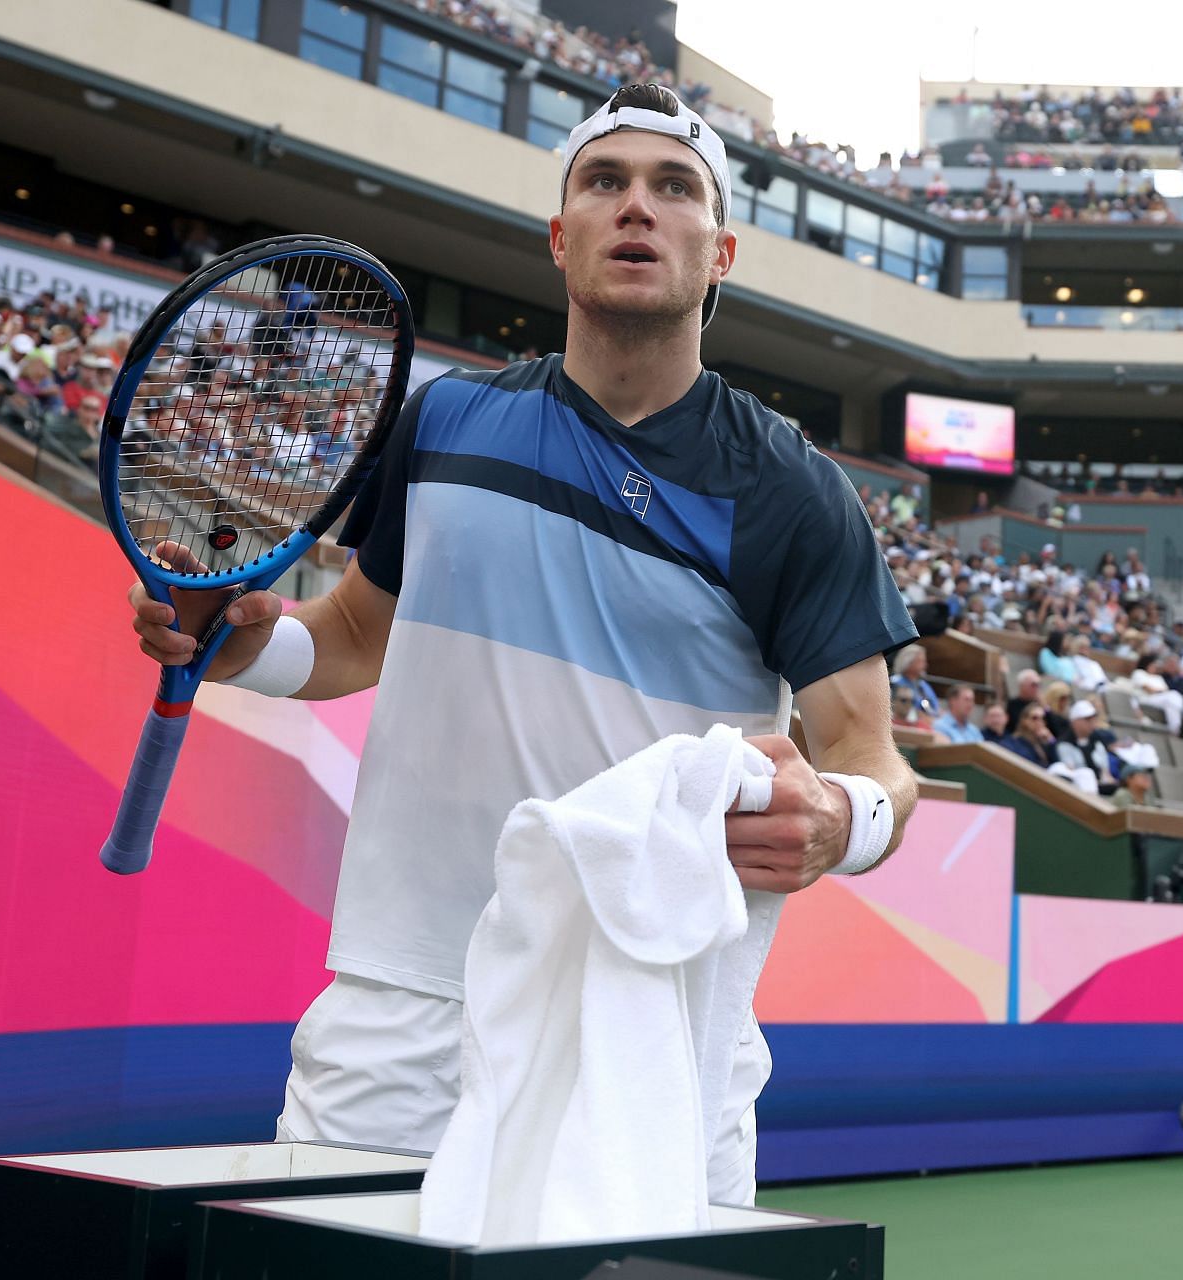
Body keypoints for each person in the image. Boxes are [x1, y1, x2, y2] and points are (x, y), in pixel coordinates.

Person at [125, 83, 917, 1204]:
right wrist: (242, 645)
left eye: (673, 187)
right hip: (403, 996)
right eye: (605, 182)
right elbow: (354, 635)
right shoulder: (445, 423)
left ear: (721, 248)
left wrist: (843, 816)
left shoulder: (793, 489)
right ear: (561, 236)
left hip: (656, 1010)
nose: (636, 207)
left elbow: (872, 757)